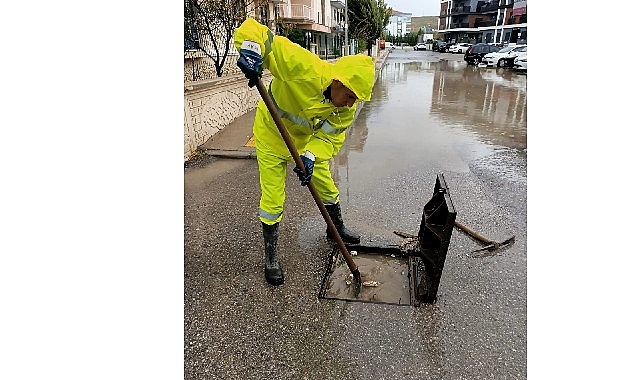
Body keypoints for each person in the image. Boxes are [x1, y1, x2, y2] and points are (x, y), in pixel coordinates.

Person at [233, 18, 375, 286]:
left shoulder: (346, 109)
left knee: (326, 185)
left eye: (356, 100)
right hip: (273, 136)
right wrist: (251, 49)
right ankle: (271, 256)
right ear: (338, 81)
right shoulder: (303, 66)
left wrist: (310, 156)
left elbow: (330, 138)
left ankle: (336, 230)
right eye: (350, 96)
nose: (350, 104)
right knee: (273, 198)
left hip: (306, 143)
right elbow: (257, 31)